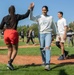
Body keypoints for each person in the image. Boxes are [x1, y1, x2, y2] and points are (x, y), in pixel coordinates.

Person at [0, 4, 33, 70]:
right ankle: (10, 63)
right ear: (14, 11)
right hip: (13, 32)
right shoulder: (16, 16)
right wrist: (29, 8)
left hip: (6, 33)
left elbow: (0, 27)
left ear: (8, 11)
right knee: (15, 49)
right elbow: (26, 15)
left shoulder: (5, 17)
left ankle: (8, 64)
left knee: (9, 49)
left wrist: (5, 29)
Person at [30, 3, 57, 70]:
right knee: (42, 48)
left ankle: (47, 64)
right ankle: (44, 61)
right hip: (41, 34)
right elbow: (31, 18)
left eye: (45, 10)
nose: (44, 11)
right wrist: (31, 10)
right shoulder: (39, 17)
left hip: (48, 33)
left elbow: (54, 26)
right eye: (43, 10)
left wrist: (57, 34)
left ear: (47, 10)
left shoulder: (50, 17)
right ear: (41, 10)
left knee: (47, 48)